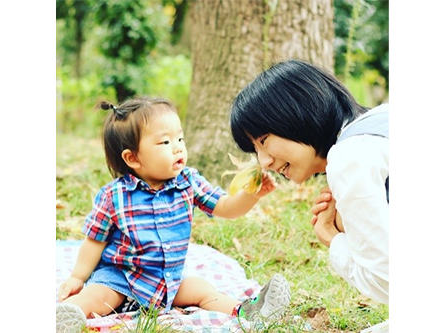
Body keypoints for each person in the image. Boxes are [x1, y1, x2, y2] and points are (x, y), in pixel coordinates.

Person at [56, 97, 291, 333]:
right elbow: (95, 240)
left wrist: (252, 195)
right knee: (97, 294)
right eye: (165, 142)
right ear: (133, 158)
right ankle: (69, 313)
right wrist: (78, 277)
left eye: (180, 138)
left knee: (202, 289)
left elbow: (225, 207)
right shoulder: (114, 196)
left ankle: (248, 311)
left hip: (168, 280)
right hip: (122, 278)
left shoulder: (188, 181)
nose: (178, 147)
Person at [229, 59, 389, 306]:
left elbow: (387, 282)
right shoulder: (381, 118)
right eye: (255, 150)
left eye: (264, 140)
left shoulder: (349, 158)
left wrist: (330, 236)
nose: (264, 162)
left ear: (298, 114)